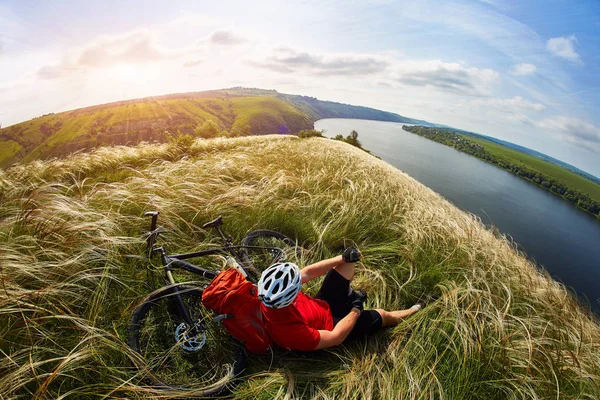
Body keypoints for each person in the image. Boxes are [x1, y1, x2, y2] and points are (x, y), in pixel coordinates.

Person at [258, 248, 422, 351]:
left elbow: (308, 273)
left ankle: (350, 296)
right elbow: (336, 337)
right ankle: (416, 310)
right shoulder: (292, 334)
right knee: (382, 315)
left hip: (323, 304)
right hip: (335, 325)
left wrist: (343, 258)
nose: (300, 279)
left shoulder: (272, 295)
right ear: (290, 297)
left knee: (346, 265)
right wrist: (356, 310)